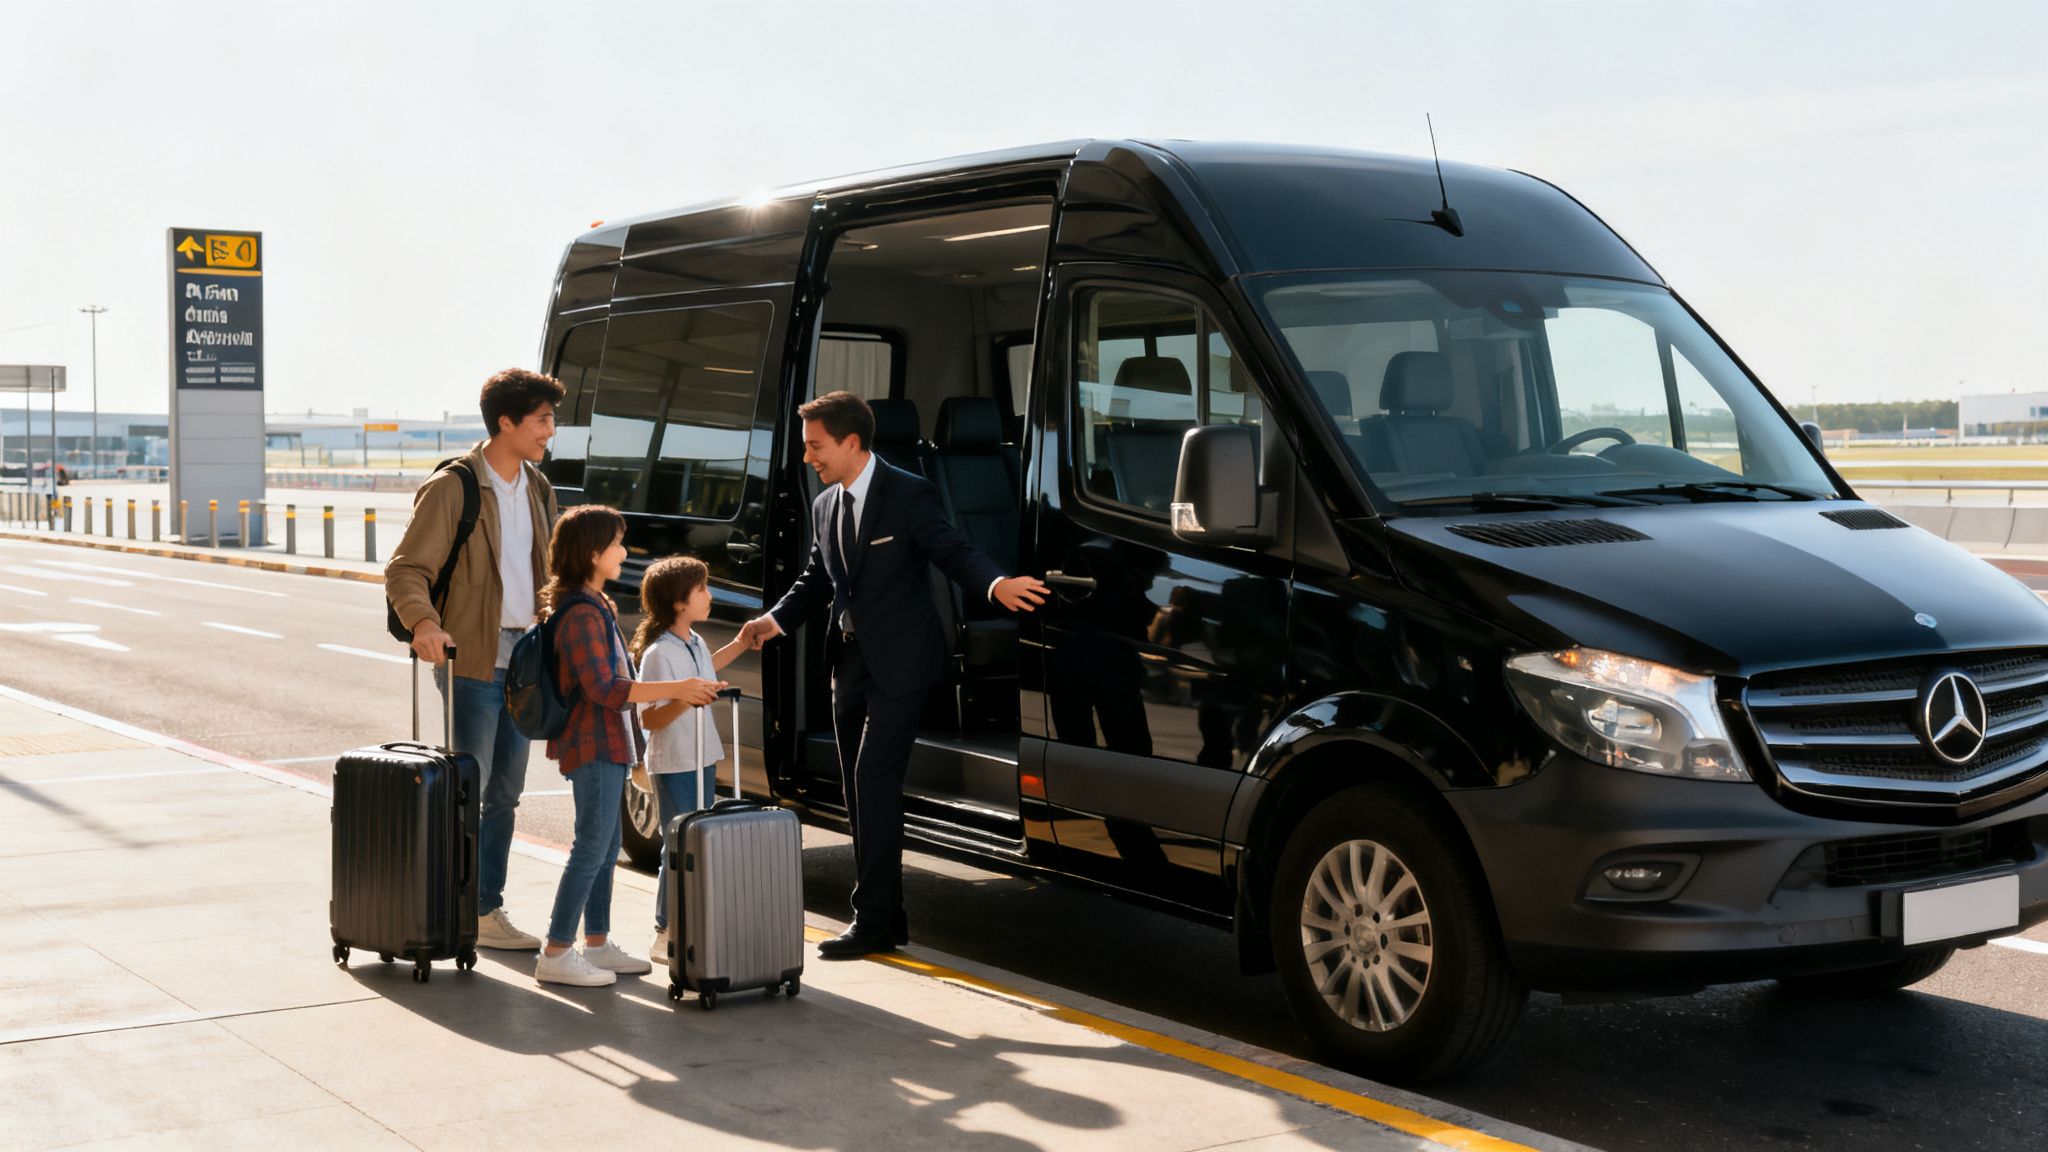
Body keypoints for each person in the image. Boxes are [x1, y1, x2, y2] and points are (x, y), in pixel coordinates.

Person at [739, 391, 1048, 959]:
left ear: (851, 443)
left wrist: (995, 585)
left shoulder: (909, 492)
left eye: (816, 446)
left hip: (902, 664)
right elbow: (817, 579)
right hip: (849, 664)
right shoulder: (826, 504)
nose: (808, 458)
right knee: (860, 794)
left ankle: (873, 919)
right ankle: (889, 917)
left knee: (873, 782)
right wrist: (774, 621)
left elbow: (952, 550)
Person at [386, 367, 562, 952]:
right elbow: (406, 569)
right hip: (474, 658)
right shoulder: (455, 486)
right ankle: (455, 903)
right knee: (470, 785)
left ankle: (486, 908)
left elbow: (550, 571)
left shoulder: (537, 487)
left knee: (507, 792)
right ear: (506, 422)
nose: (550, 430)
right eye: (541, 419)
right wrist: (425, 623)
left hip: (527, 658)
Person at [534, 505, 727, 987]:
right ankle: (557, 950)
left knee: (607, 845)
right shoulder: (579, 611)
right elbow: (605, 687)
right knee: (592, 845)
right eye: (618, 543)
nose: (625, 551)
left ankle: (596, 944)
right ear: (594, 553)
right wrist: (679, 689)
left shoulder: (598, 603)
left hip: (611, 742)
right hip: (591, 742)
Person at [630, 555, 746, 964]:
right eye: (701, 589)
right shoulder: (658, 653)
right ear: (679, 602)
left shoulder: (694, 642)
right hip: (674, 761)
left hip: (702, 756)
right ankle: (665, 929)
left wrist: (742, 643)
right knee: (676, 846)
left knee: (700, 843)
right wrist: (686, 698)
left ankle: (692, 923)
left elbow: (707, 672)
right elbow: (650, 716)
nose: (708, 595)